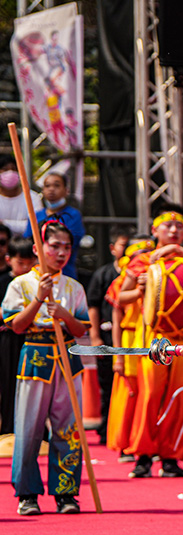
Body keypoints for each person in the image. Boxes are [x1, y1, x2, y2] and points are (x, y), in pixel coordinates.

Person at [117, 206, 183, 479]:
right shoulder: (142, 260)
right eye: (168, 226)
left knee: (182, 395)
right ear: (155, 230)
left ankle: (171, 456)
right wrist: (139, 289)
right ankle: (144, 455)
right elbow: (118, 300)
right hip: (153, 336)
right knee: (150, 395)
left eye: (180, 226)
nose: (174, 231)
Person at [3, 220, 88, 515]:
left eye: (67, 247)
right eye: (55, 246)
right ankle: (27, 493)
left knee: (69, 429)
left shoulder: (74, 287)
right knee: (28, 428)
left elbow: (80, 330)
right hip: (35, 359)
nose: (61, 252)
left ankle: (66, 493)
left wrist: (64, 314)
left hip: (68, 359)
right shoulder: (21, 284)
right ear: (39, 248)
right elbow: (15, 325)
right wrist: (39, 298)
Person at [104, 238, 153, 464]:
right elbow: (117, 315)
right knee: (129, 393)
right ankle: (124, 443)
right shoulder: (123, 279)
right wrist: (118, 355)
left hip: (150, 337)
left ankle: (143, 443)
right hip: (130, 338)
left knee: (147, 393)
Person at [85, 228, 130, 443]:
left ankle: (125, 430)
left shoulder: (143, 273)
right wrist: (95, 336)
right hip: (106, 335)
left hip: (131, 339)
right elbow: (93, 305)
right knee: (107, 384)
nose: (128, 250)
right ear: (113, 249)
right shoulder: (103, 274)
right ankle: (106, 428)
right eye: (123, 245)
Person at [0, 236, 35, 436]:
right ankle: (7, 429)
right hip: (9, 339)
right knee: (9, 383)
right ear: (9, 260)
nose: (26, 268)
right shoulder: (5, 281)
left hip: (31, 338)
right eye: (21, 263)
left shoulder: (36, 283)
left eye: (30, 264)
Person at [32, 173, 84, 279]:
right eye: (47, 186)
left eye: (56, 185)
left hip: (65, 273)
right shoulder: (35, 216)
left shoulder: (74, 215)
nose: (51, 189)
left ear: (66, 190)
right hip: (38, 274)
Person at [0, 154, 43, 238]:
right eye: (5, 170)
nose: (10, 173)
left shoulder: (32, 197)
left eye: (14, 169)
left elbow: (35, 226)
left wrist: (4, 223)